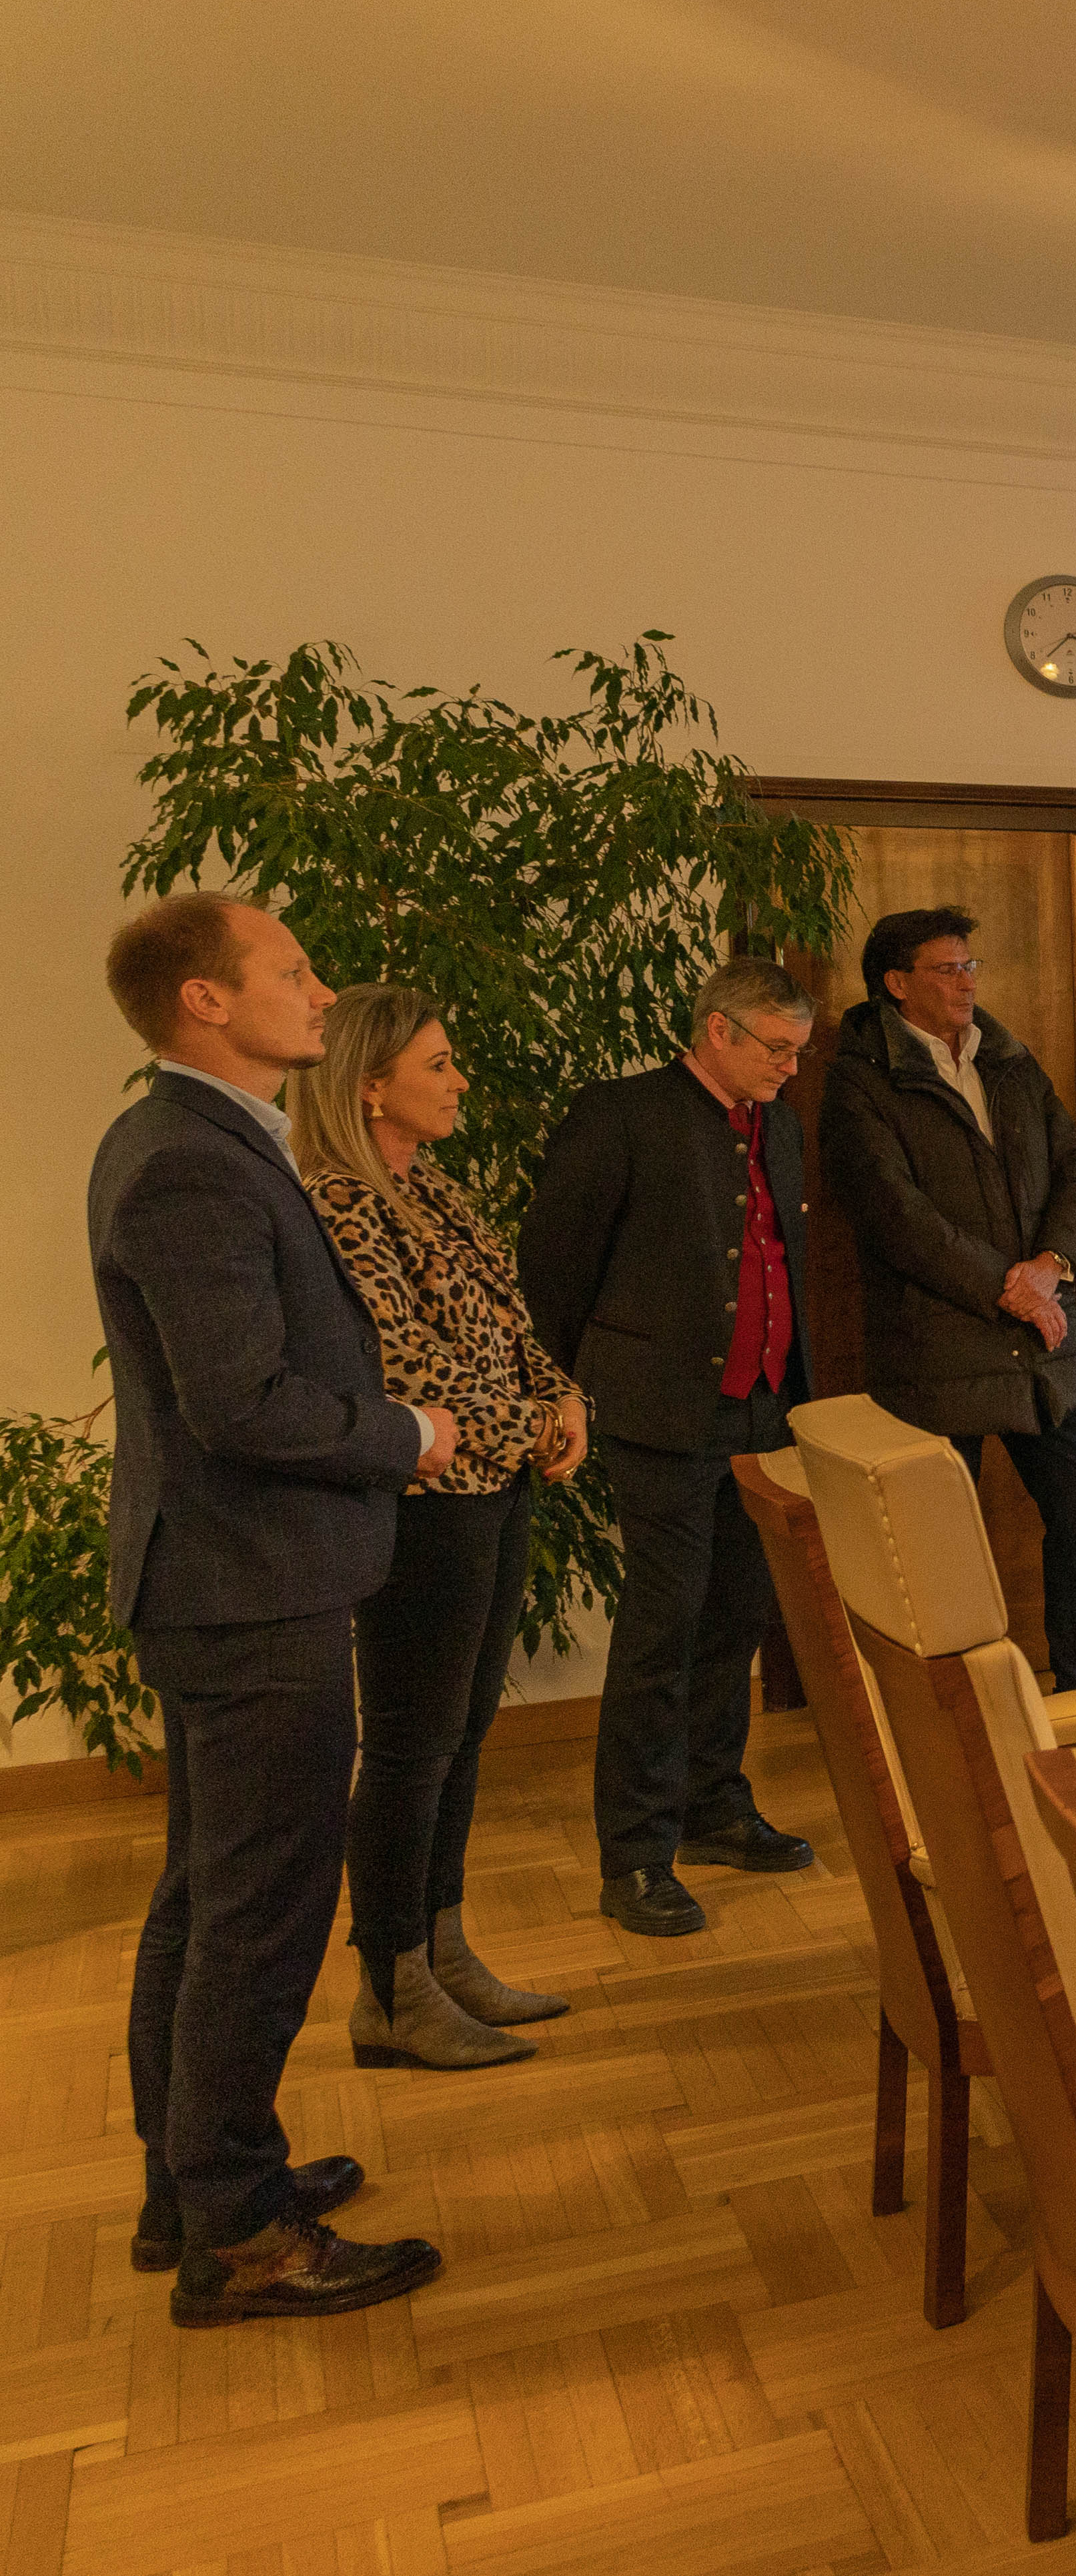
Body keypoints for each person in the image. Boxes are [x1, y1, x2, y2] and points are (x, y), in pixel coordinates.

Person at [93, 890, 448, 2324]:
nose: (320, 993)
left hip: (234, 1579)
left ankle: (196, 2178)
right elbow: (239, 1401)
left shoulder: (203, 1136)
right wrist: (403, 1434)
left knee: (209, 1892)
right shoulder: (191, 1159)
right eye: (290, 973)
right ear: (206, 1002)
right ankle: (236, 2231)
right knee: (258, 1909)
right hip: (249, 1586)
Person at [299, 985, 591, 2064]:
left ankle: (442, 1944)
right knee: (412, 1743)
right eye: (438, 1062)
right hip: (421, 1504)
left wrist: (564, 1398)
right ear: (371, 1081)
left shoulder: (439, 1188)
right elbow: (406, 1371)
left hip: (494, 1484)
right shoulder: (336, 1200)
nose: (459, 1077)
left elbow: (512, 1330)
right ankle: (389, 1984)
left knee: (465, 1730)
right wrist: (530, 1420)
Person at [522, 959, 823, 1938]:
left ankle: (715, 1807)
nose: (789, 1067)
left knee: (738, 1614)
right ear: (718, 1031)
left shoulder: (777, 1119)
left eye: (797, 1050)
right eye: (777, 1048)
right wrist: (565, 1387)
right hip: (661, 1413)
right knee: (665, 1624)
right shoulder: (621, 1114)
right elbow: (552, 1267)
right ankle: (637, 1853)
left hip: (767, 1414)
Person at [822, 906, 1076, 1687]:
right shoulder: (859, 1079)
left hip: (1041, 1340)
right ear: (896, 983)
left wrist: (1051, 1263)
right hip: (941, 1343)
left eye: (970, 966)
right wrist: (1004, 1286)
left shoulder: (1009, 1058)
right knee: (941, 1538)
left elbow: (1074, 1167)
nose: (967, 981)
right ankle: (952, 1700)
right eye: (947, 969)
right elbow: (895, 1215)